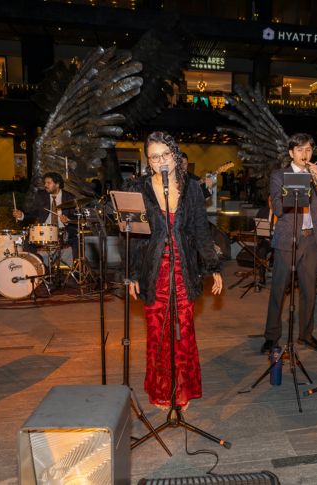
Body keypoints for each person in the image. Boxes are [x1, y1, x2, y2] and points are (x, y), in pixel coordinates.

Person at [126, 131, 224, 409]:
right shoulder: (138, 189)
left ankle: (182, 387)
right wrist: (131, 274)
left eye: (165, 155)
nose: (160, 161)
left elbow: (200, 231)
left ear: (175, 155)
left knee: (183, 330)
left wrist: (213, 266)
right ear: (148, 161)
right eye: (154, 157)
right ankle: (160, 389)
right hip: (153, 269)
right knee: (158, 331)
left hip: (183, 268)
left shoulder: (192, 188)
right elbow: (133, 236)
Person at [261, 133, 317, 354]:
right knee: (278, 289)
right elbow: (277, 206)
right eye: (301, 150)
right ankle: (272, 336)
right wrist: (298, 186)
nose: (306, 154)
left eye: (309, 150)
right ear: (291, 153)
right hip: (287, 238)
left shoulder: (316, 176)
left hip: (312, 238)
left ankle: (306, 334)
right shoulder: (279, 175)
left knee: (309, 291)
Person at [13, 171, 79, 262]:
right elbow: (33, 213)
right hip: (45, 232)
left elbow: (76, 217)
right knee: (28, 242)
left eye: (49, 183)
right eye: (45, 183)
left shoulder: (69, 197)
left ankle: (77, 268)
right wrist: (22, 215)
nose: (45, 185)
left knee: (77, 240)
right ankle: (37, 267)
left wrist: (68, 220)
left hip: (63, 231)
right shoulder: (41, 195)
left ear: (57, 184)